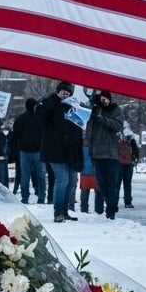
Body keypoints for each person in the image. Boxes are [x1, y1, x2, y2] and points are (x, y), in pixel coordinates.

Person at [36, 82, 83, 223]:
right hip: (55, 150)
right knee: (62, 180)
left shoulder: (73, 107)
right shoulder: (50, 104)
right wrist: (53, 99)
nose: (64, 94)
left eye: (67, 92)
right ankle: (58, 212)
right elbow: (40, 114)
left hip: (71, 151)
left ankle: (64, 211)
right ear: (57, 92)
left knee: (71, 182)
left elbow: (78, 127)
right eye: (62, 91)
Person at [86, 91, 125, 219]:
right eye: (102, 100)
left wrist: (101, 118)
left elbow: (118, 125)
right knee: (101, 184)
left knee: (112, 184)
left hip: (111, 154)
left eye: (106, 100)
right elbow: (87, 125)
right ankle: (109, 206)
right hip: (97, 153)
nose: (104, 102)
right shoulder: (94, 109)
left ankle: (111, 209)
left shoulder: (115, 110)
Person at [8, 97, 45, 206]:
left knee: (25, 176)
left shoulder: (20, 119)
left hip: (24, 151)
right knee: (41, 175)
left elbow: (15, 135)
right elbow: (44, 134)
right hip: (38, 151)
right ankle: (41, 197)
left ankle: (25, 197)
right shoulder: (40, 118)